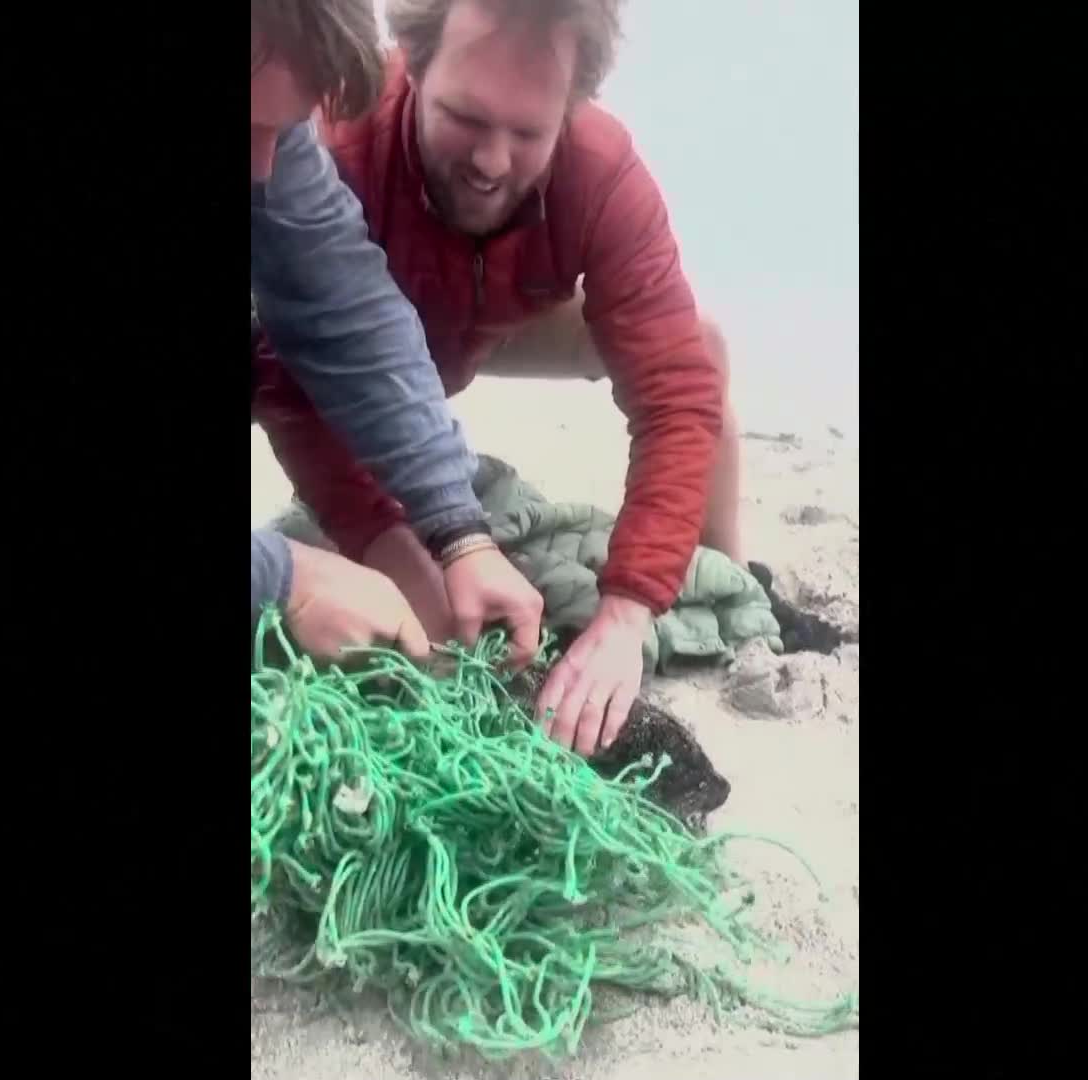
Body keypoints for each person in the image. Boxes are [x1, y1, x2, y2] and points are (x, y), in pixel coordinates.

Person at [251, 0, 731, 757]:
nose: (492, 161)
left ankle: (737, 566)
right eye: (466, 119)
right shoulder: (332, 126)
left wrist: (620, 608)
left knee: (697, 353)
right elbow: (291, 367)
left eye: (528, 132)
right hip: (311, 345)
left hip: (479, 330)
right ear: (411, 66)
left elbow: (340, 313)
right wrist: (334, 561)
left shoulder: (600, 169)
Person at [249, 0, 543, 667]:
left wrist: (460, 531)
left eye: (284, 131)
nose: (262, 173)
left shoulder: (271, 150)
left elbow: (339, 304)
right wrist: (284, 578)